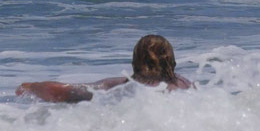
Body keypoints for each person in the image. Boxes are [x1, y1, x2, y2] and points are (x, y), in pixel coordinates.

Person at [16, 34, 196, 103]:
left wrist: (30, 87)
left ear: (135, 61)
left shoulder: (121, 86)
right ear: (172, 61)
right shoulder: (187, 86)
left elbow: (56, 92)